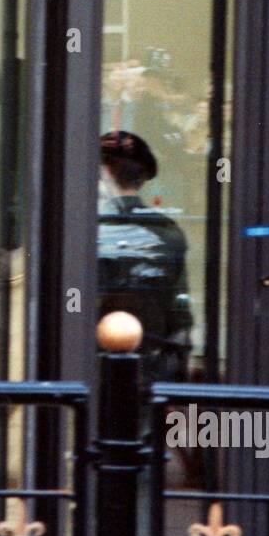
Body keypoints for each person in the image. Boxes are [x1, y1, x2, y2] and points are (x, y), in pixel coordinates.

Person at [98, 130, 192, 383]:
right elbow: (180, 319)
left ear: (104, 173)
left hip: (90, 371)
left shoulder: (86, 230)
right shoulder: (167, 232)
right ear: (140, 180)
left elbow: (71, 304)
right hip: (150, 373)